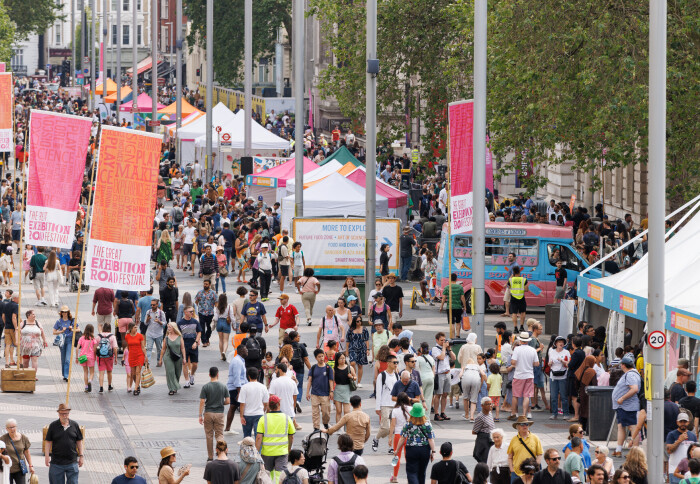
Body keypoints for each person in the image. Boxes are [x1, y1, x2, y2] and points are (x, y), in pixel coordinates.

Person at [256, 395, 295, 483]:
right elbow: (291, 436)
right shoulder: (286, 418)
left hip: (267, 452)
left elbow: (259, 438)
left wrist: (256, 453)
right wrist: (289, 448)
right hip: (282, 451)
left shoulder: (263, 419)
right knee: (280, 474)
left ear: (269, 405)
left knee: (267, 474)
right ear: (279, 404)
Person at [396, 402, 436, 484]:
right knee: (422, 473)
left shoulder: (408, 424)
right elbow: (430, 439)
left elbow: (402, 438)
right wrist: (433, 451)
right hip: (424, 450)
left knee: (411, 472)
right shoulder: (427, 424)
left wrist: (397, 450)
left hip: (411, 450)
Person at [45, 403, 84, 484]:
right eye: (62, 414)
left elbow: (79, 441)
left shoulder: (74, 425)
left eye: (66, 413)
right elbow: (48, 441)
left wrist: (81, 456)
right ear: (58, 414)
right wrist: (47, 456)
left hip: (72, 462)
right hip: (56, 463)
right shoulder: (53, 426)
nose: (64, 416)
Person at [199, 367, 231, 462]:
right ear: (218, 374)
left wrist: (200, 415)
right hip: (219, 413)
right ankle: (221, 453)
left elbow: (202, 401)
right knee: (219, 435)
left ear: (209, 375)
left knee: (209, 435)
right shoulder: (223, 386)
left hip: (208, 413)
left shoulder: (205, 387)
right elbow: (228, 401)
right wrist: (221, 403)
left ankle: (210, 457)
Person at [612, 356, 641, 457]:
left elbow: (634, 389)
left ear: (623, 365)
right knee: (621, 426)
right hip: (623, 406)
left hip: (627, 406)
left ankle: (634, 453)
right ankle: (618, 449)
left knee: (633, 427)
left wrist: (622, 398)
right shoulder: (631, 374)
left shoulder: (630, 375)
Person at [372, 354, 399, 452]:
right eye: (394, 362)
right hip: (384, 404)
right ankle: (376, 438)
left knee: (394, 427)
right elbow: (378, 392)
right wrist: (377, 407)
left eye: (397, 362)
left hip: (395, 405)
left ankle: (391, 447)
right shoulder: (382, 375)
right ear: (388, 363)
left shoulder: (397, 375)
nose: (396, 364)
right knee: (386, 427)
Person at [508, 416, 543, 482]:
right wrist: (511, 469)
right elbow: (510, 457)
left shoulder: (535, 438)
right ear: (518, 427)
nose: (525, 426)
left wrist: (536, 466)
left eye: (526, 424)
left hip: (531, 473)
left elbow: (540, 454)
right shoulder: (514, 439)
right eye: (522, 424)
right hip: (516, 473)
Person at [307, 348, 335, 430]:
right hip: (314, 394)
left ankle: (325, 423)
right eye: (319, 357)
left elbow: (331, 380)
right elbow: (309, 380)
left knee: (326, 412)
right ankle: (316, 428)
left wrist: (331, 391)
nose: (321, 358)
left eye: (322, 356)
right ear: (316, 358)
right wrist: (307, 392)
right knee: (315, 413)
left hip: (325, 394)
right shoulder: (313, 368)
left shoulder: (328, 368)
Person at [431, 332, 455, 422]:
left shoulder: (446, 348)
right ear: (437, 340)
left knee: (445, 394)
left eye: (444, 340)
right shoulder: (435, 349)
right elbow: (441, 357)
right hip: (439, 374)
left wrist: (449, 349)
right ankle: (436, 413)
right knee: (438, 394)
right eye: (441, 340)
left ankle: (443, 412)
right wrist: (444, 348)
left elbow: (454, 358)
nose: (443, 342)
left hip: (447, 373)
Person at [1, 418, 34, 484]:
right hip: (7, 470)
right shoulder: (3, 439)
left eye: (13, 427)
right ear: (6, 429)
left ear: (16, 427)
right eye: (10, 427)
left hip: (20, 469)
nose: (12, 429)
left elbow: (27, 452)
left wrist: (31, 466)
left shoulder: (23, 438)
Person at [239, 367, 270, 437]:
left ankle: (247, 448)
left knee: (247, 436)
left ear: (248, 376)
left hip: (247, 414)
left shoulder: (244, 387)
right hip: (259, 413)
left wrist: (241, 416)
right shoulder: (263, 387)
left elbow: (242, 404)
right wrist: (264, 410)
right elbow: (266, 403)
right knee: (258, 436)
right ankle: (258, 448)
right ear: (258, 375)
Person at [668, 413, 698, 484]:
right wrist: (679, 440)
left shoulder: (693, 436)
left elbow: (696, 452)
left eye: (684, 422)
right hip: (674, 471)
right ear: (677, 422)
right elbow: (669, 451)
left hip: (690, 472)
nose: (683, 423)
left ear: (688, 422)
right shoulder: (671, 435)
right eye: (681, 421)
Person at [177, 306, 202, 388]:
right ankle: (187, 381)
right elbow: (178, 335)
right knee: (184, 363)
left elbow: (199, 332)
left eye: (192, 311)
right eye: (190, 311)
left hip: (193, 344)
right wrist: (180, 344)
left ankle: (191, 374)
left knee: (195, 364)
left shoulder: (195, 321)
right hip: (184, 345)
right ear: (185, 312)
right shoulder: (180, 323)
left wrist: (196, 342)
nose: (192, 313)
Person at [159, 323, 186, 396]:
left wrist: (184, 358)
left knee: (177, 373)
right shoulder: (166, 338)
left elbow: (182, 348)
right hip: (168, 357)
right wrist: (160, 359)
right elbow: (163, 349)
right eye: (168, 327)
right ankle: (171, 388)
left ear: (174, 328)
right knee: (170, 372)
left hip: (178, 357)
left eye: (170, 327)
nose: (168, 328)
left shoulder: (180, 337)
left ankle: (175, 387)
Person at [19, 309, 48, 374]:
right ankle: (25, 374)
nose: (34, 315)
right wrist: (17, 340)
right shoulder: (23, 323)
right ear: (28, 316)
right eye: (33, 314)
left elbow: (42, 332)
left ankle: (33, 375)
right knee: (25, 361)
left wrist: (44, 341)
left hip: (35, 345)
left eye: (34, 314)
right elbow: (17, 332)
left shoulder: (38, 323)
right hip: (25, 346)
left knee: (34, 359)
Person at [548, 336, 570, 419]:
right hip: (553, 375)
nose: (561, 343)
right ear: (556, 343)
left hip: (563, 376)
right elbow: (549, 364)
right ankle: (554, 413)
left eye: (562, 342)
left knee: (564, 396)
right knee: (553, 396)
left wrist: (562, 361)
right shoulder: (552, 352)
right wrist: (550, 363)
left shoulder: (566, 352)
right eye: (559, 342)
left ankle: (566, 413)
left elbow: (568, 364)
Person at [53, 306, 77, 381]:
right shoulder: (59, 321)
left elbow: (78, 329)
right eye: (63, 312)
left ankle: (66, 375)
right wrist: (61, 331)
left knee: (67, 359)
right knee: (63, 359)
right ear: (61, 313)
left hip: (70, 340)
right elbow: (54, 332)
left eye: (66, 312)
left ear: (68, 312)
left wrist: (72, 329)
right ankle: (64, 374)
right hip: (62, 341)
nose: (64, 313)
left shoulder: (72, 321)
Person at [347, 315, 370, 387]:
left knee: (360, 365)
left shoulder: (364, 329)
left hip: (362, 348)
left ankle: (359, 382)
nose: (359, 322)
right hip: (352, 348)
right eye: (357, 321)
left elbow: (366, 340)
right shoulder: (350, 330)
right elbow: (348, 340)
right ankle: (354, 378)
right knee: (352, 363)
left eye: (360, 321)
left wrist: (367, 349)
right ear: (354, 322)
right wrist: (347, 350)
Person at [96, 322, 119, 393]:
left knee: (101, 372)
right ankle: (109, 386)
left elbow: (95, 346)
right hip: (109, 356)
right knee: (109, 371)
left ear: (103, 328)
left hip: (100, 357)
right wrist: (115, 358)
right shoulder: (112, 337)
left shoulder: (98, 336)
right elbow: (115, 348)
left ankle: (101, 387)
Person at [124, 322, 146, 396]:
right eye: (135, 327)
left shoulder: (140, 336)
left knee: (137, 372)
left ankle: (136, 388)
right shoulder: (127, 336)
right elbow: (128, 346)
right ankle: (138, 385)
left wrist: (146, 357)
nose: (136, 329)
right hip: (132, 356)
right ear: (131, 328)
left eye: (137, 327)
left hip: (140, 355)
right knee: (133, 374)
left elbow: (143, 347)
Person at [195, 279, 217, 348]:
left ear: (209, 285)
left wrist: (216, 312)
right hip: (201, 312)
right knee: (202, 327)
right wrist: (196, 311)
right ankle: (204, 341)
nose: (205, 285)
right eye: (204, 284)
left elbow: (216, 302)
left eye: (206, 284)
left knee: (210, 327)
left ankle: (207, 338)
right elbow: (196, 302)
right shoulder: (200, 293)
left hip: (210, 313)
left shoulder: (213, 293)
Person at [144, 299, 167, 366]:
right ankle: (148, 362)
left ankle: (158, 361)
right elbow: (145, 323)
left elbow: (165, 323)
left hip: (158, 334)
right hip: (150, 333)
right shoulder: (148, 312)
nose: (152, 306)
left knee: (159, 349)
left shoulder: (161, 312)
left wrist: (159, 322)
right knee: (149, 348)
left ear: (157, 305)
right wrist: (147, 319)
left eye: (154, 305)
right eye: (151, 305)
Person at [473, 397, 496, 462]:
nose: (490, 406)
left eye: (491, 404)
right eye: (488, 404)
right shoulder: (480, 417)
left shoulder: (490, 413)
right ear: (482, 406)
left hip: (491, 439)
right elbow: (474, 431)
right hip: (484, 441)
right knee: (485, 460)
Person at [76, 323, 97, 393]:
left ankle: (86, 387)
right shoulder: (93, 339)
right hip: (91, 357)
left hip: (83, 356)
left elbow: (77, 348)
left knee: (85, 372)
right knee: (92, 372)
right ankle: (90, 381)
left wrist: (76, 358)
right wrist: (95, 357)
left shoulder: (81, 338)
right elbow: (94, 350)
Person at [213, 293, 234, 360]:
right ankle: (224, 352)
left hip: (219, 323)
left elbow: (215, 318)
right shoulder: (229, 307)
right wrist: (234, 325)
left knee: (220, 340)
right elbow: (232, 317)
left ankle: (221, 355)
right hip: (226, 323)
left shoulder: (217, 307)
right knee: (225, 340)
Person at [508, 266, 529, 332]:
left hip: (513, 298)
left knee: (514, 313)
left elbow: (509, 287)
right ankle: (521, 327)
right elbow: (526, 289)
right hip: (521, 298)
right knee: (522, 312)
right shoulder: (524, 279)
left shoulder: (510, 280)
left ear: (513, 272)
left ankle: (515, 328)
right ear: (519, 271)